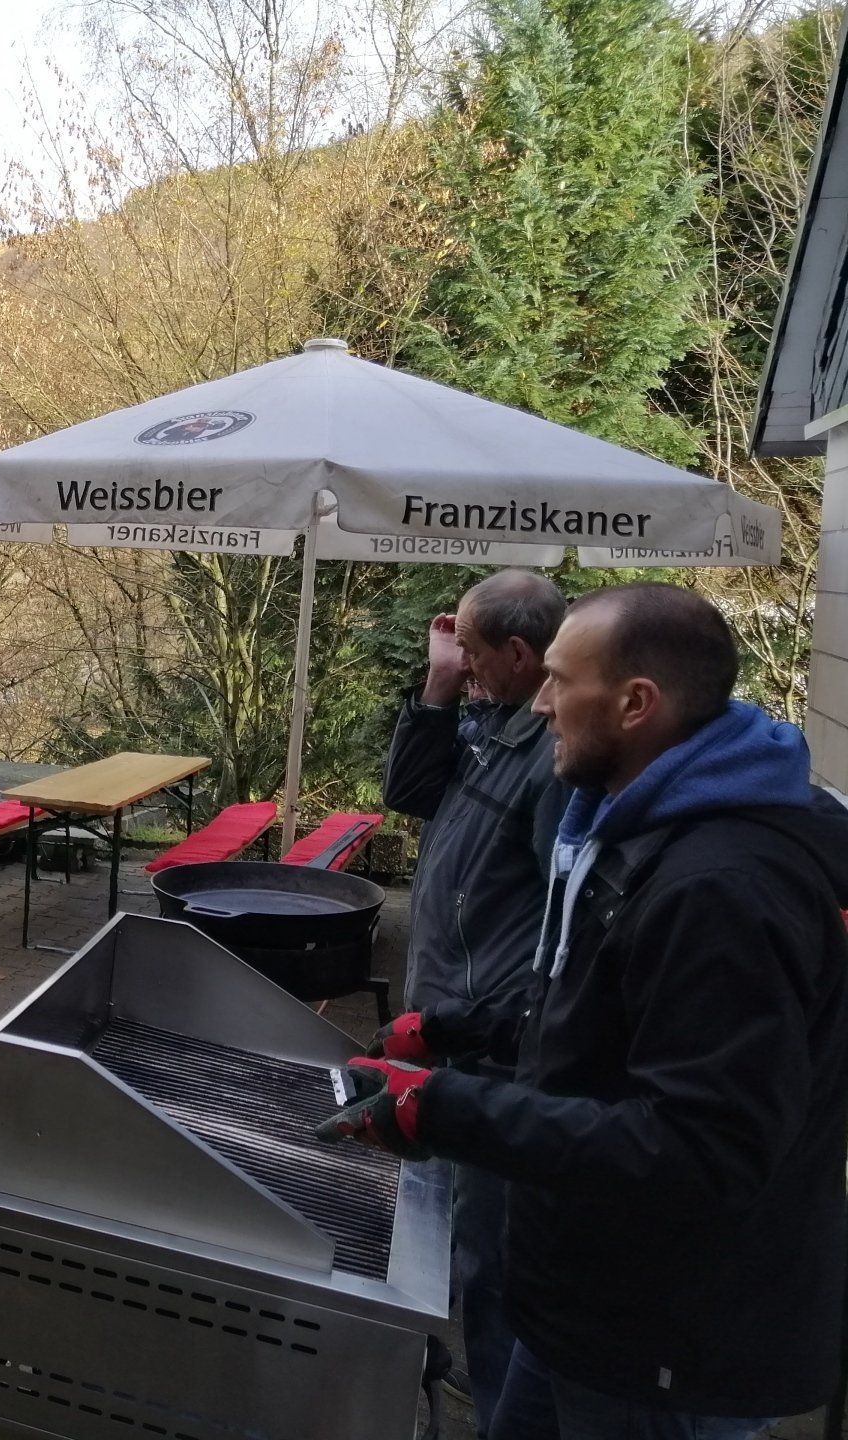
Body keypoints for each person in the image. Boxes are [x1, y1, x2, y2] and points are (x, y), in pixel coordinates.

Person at [324, 583, 848, 1439]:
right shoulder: (640, 823)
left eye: (561, 682)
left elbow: (700, 1149)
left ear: (636, 703)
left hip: (672, 1343)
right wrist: (455, 1031)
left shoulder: (723, 889)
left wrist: (448, 1111)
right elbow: (597, 1004)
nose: (541, 705)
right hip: (589, 1301)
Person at [382, 568, 568, 1431]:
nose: (467, 663)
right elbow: (410, 793)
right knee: (438, 1223)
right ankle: (446, 1368)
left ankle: (501, 1414)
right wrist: (439, 686)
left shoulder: (554, 759)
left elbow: (565, 936)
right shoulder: (494, 725)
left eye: (474, 651)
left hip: (493, 1043)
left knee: (490, 1254)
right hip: (442, 1022)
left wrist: (487, 1022)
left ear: (520, 654)